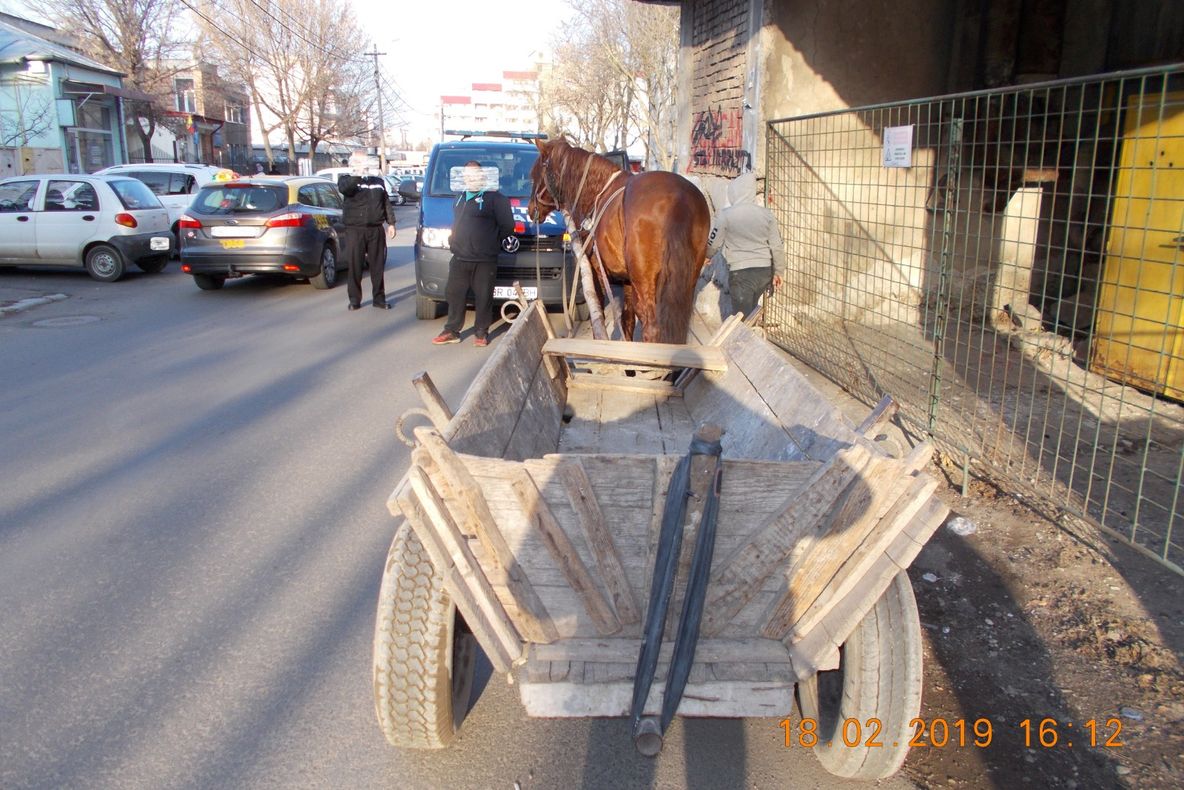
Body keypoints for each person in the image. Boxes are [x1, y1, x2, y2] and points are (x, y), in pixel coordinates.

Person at [432, 161, 514, 347]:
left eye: (475, 175)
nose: (471, 179)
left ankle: (481, 332)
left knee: (484, 296)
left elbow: (507, 227)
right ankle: (452, 330)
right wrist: (454, 242)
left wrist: (489, 243)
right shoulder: (460, 197)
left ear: (483, 176)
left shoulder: (496, 199)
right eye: (467, 176)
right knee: (454, 294)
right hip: (460, 257)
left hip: (485, 260)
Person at [704, 171, 787, 319]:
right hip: (764, 272)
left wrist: (707, 256)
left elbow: (714, 241)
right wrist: (779, 271)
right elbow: (777, 246)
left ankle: (742, 340)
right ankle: (749, 336)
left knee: (740, 320)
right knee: (749, 314)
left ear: (734, 193)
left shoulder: (726, 215)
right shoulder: (767, 214)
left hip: (741, 273)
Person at [339, 174, 396, 310]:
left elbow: (385, 202)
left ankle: (379, 298)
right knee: (355, 265)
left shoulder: (378, 181)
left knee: (377, 266)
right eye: (359, 163)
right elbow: (346, 189)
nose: (364, 167)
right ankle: (354, 300)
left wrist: (391, 223)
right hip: (355, 229)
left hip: (375, 229)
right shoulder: (347, 180)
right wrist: (356, 175)